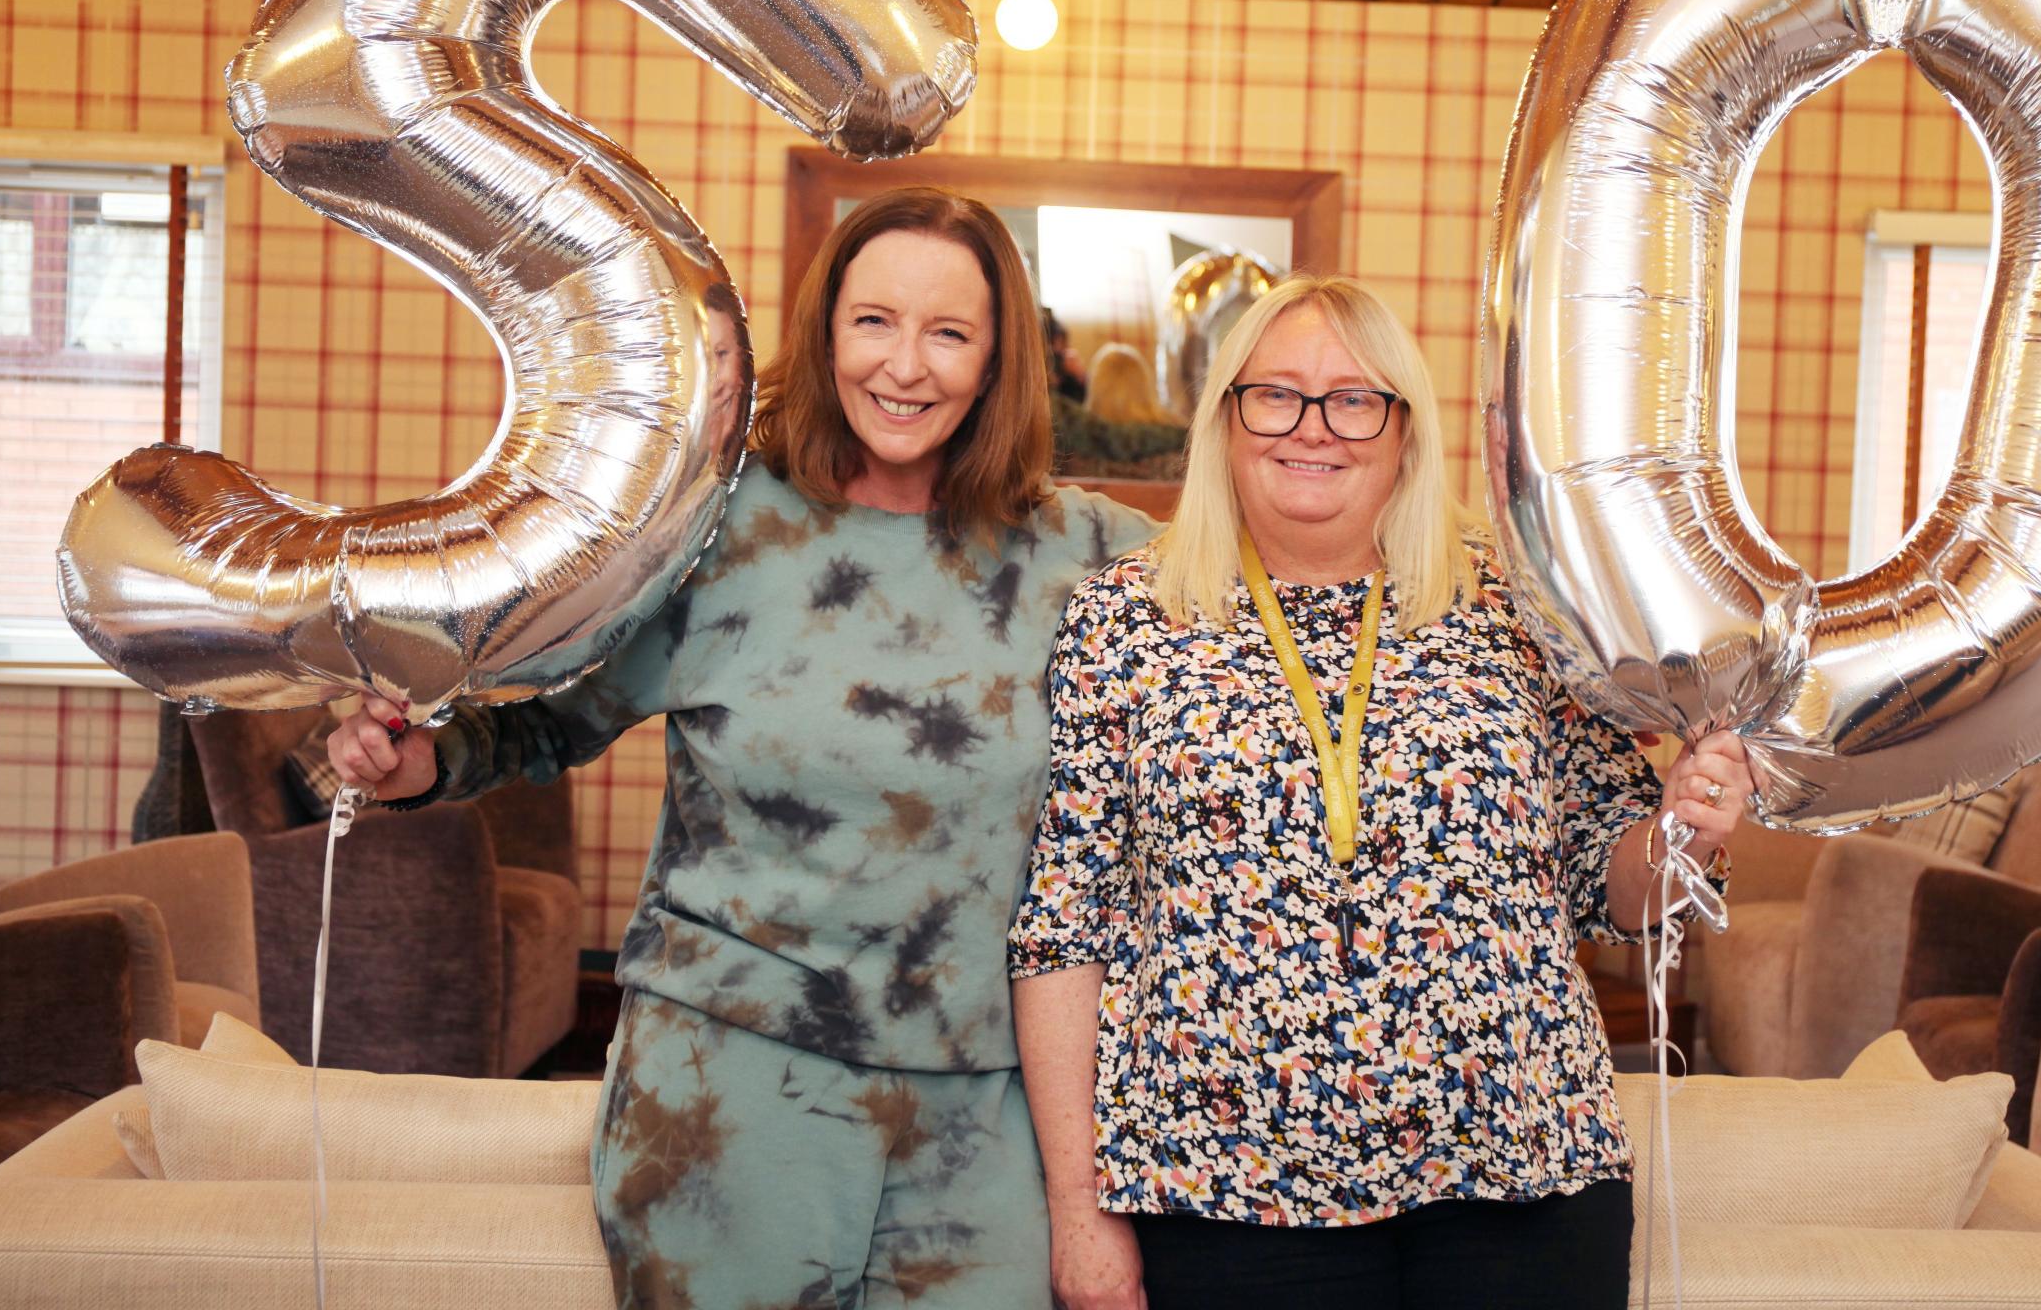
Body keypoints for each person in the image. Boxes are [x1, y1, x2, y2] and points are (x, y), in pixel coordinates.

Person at [327, 187, 1158, 1310]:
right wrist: (415, 760)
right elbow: (540, 723)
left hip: (988, 1103)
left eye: (949, 332)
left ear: (1000, 358)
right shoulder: (715, 528)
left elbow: (1277, 608)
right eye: (873, 321)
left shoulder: (1089, 554)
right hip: (736, 1082)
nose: (905, 365)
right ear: (824, 333)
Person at [1007, 275, 1754, 1310]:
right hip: (1225, 1191)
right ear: (1224, 418)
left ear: (1406, 429)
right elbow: (1064, 927)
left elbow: (1613, 887)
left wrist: (1681, 827)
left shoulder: (1516, 607)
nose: (1314, 427)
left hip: (1520, 1177)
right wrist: (1080, 1213)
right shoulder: (1126, 617)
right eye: (1276, 395)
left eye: (1357, 399)